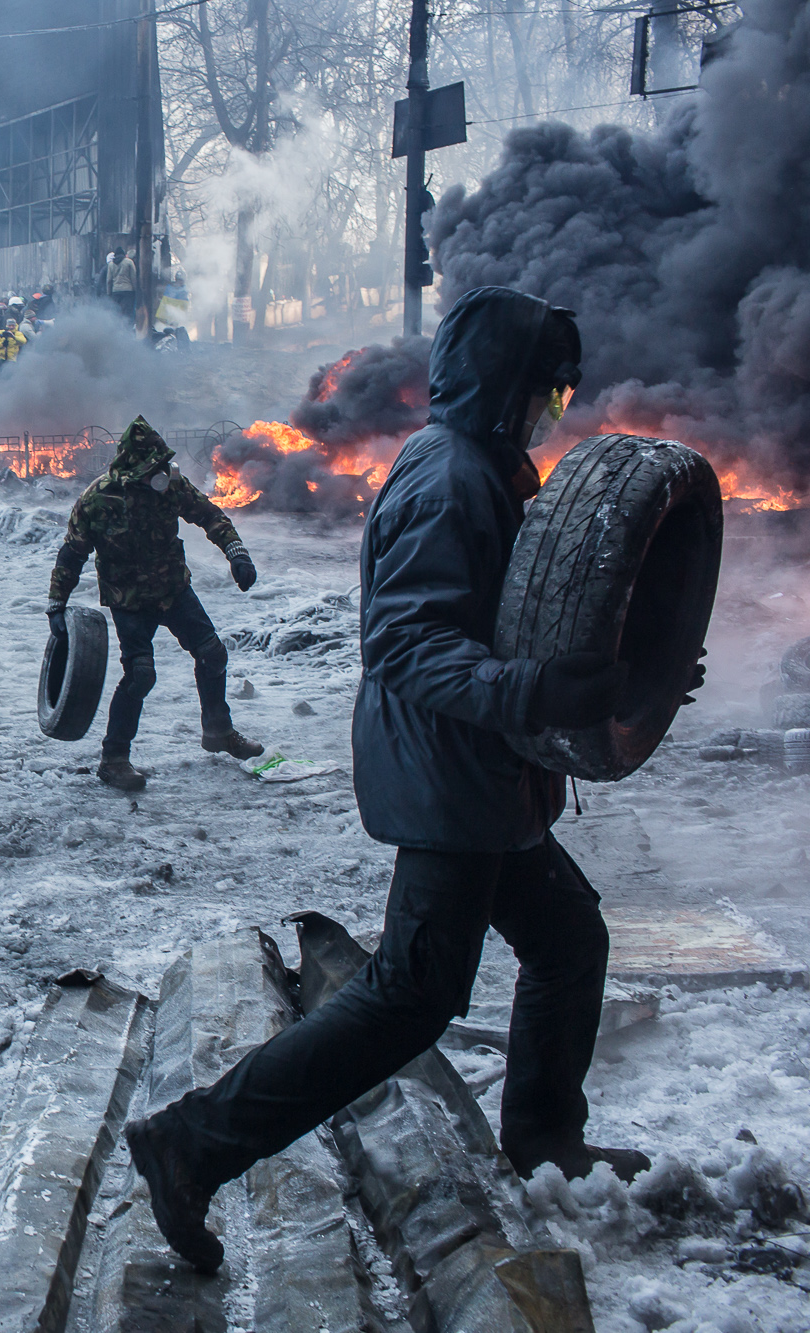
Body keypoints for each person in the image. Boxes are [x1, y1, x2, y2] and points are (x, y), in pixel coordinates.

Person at [121, 289, 667, 1278]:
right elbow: (408, 645)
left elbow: (526, 616)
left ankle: (544, 1139)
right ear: (505, 383)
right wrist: (538, 689)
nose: (552, 406)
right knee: (409, 996)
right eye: (545, 387)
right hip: (449, 775)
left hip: (485, 771)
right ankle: (188, 1143)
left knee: (564, 938)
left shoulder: (487, 467)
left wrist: (642, 668)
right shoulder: (449, 478)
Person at [47, 416, 263, 793]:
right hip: (128, 600)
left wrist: (236, 554)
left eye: (163, 465)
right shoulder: (97, 501)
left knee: (213, 655)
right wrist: (56, 605)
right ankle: (113, 759)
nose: (162, 473)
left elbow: (210, 516)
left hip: (173, 589)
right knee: (141, 675)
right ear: (133, 470)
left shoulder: (171, 486)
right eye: (154, 468)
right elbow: (71, 555)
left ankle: (218, 730)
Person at [106, 247, 138, 321]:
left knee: (117, 312)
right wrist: (136, 290)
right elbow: (133, 277)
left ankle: (118, 329)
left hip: (115, 292)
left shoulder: (110, 265)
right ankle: (127, 330)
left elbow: (109, 280)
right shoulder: (129, 262)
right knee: (128, 312)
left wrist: (109, 293)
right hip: (128, 291)